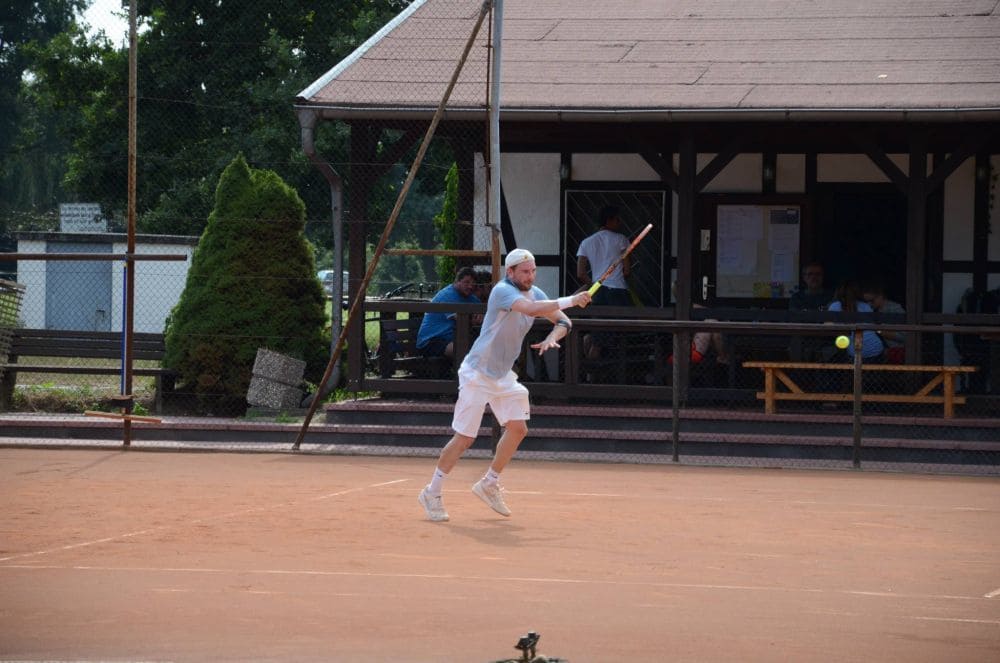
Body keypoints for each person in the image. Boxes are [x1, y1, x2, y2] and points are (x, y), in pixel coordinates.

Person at [417, 249, 592, 522]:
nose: (530, 276)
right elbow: (532, 310)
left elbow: (563, 321)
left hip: (502, 376)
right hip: (477, 373)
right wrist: (572, 299)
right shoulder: (502, 291)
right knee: (465, 438)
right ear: (510, 272)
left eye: (533, 271)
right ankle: (432, 492)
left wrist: (551, 337)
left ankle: (489, 482)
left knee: (518, 428)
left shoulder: (536, 292)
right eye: (525, 271)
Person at [576, 205, 632, 359]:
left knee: (598, 335)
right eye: (617, 219)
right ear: (610, 220)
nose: (620, 223)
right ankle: (603, 371)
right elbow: (627, 270)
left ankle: (589, 373)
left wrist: (596, 284)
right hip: (619, 294)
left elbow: (580, 273)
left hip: (599, 293)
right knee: (618, 338)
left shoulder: (586, 242)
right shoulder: (621, 240)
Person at [415, 267, 480, 359]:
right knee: (464, 350)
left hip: (452, 340)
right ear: (457, 281)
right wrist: (475, 319)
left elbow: (482, 316)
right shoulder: (447, 295)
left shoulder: (471, 297)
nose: (470, 286)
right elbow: (462, 320)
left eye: (473, 283)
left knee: (479, 347)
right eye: (467, 282)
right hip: (430, 341)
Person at [862, 280, 905, 363]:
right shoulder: (872, 311)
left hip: (896, 353)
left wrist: (877, 330)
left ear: (880, 296)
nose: (869, 305)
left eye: (872, 301)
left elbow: (904, 336)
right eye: (866, 302)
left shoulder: (894, 310)